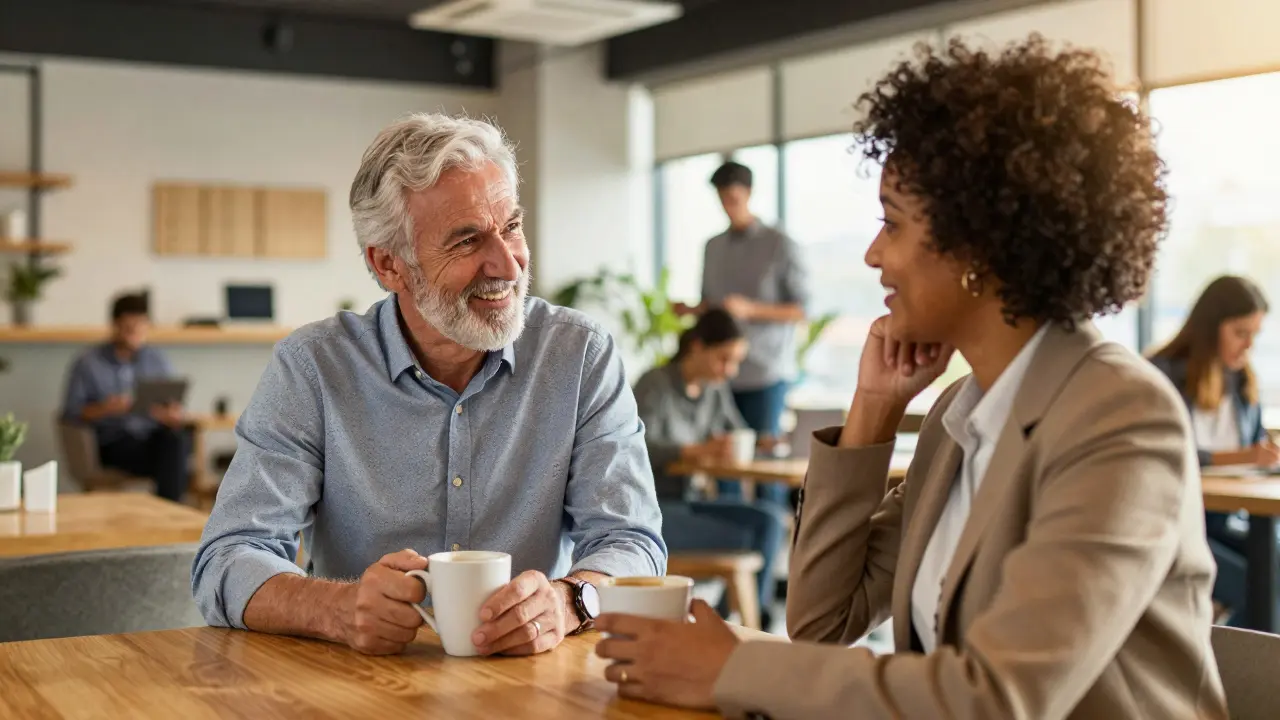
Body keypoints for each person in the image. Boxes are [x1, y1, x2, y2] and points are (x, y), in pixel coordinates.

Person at [595, 36, 1227, 719]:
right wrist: (872, 413)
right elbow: (823, 621)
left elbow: (997, 700)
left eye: (891, 225)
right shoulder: (964, 415)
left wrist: (736, 668)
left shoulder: (1119, 418)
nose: (873, 254)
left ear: (979, 246)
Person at [192, 113, 666, 658]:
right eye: (467, 241)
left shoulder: (579, 355)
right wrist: (338, 610)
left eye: (511, 226)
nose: (507, 264)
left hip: (533, 683)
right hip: (355, 686)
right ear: (389, 264)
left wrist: (569, 601)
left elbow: (632, 543)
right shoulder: (314, 368)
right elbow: (227, 557)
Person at [632, 308, 786, 625]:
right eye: (724, 359)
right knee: (758, 529)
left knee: (770, 521)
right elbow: (635, 446)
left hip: (690, 503)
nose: (729, 371)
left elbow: (737, 433)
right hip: (655, 512)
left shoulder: (714, 390)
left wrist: (764, 443)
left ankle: (728, 623)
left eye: (735, 362)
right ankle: (736, 625)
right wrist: (697, 450)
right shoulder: (655, 384)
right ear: (697, 347)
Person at [676, 161, 808, 506]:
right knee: (725, 467)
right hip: (718, 378)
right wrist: (693, 310)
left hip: (764, 373)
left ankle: (767, 545)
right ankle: (736, 537)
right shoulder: (713, 247)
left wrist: (751, 309)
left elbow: (801, 310)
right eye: (722, 198)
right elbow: (711, 306)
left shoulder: (780, 244)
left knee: (767, 469)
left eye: (734, 197)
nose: (728, 206)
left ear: (749, 193)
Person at [1149, 274, 1276, 624]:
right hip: (1177, 526)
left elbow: (1257, 445)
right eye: (1240, 333)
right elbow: (1167, 453)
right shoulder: (1160, 376)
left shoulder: (1243, 382)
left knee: (1273, 571)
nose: (1248, 346)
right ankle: (1238, 663)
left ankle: (1243, 662)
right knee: (1259, 585)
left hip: (1225, 520)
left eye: (1255, 335)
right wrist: (1243, 458)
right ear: (1211, 327)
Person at [61, 292, 189, 502]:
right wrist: (106, 408)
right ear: (115, 326)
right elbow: (71, 413)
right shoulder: (88, 362)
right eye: (129, 328)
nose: (135, 334)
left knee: (177, 441)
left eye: (141, 328)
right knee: (173, 457)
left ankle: (168, 509)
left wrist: (171, 414)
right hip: (113, 441)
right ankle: (171, 511)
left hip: (151, 436)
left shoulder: (156, 358)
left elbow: (171, 401)